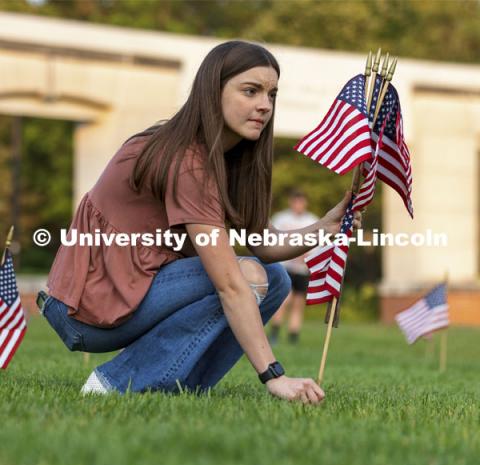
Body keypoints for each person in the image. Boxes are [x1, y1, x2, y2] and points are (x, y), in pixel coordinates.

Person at [39, 40, 361, 405]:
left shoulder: (228, 159)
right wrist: (275, 376)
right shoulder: (185, 158)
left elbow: (265, 247)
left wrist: (327, 225)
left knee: (274, 279)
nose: (264, 105)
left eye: (271, 94)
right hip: (83, 308)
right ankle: (117, 381)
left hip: (135, 292)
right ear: (213, 90)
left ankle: (184, 389)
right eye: (250, 91)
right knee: (249, 278)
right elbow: (229, 284)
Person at [269, 190, 319, 344]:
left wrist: (307, 255)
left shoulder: (312, 220)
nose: (298, 205)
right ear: (291, 202)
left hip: (302, 269)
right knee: (284, 300)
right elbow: (272, 239)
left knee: (298, 303)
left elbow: (318, 242)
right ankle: (275, 331)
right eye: (296, 202)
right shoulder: (281, 218)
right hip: (285, 266)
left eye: (301, 202)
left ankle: (293, 334)